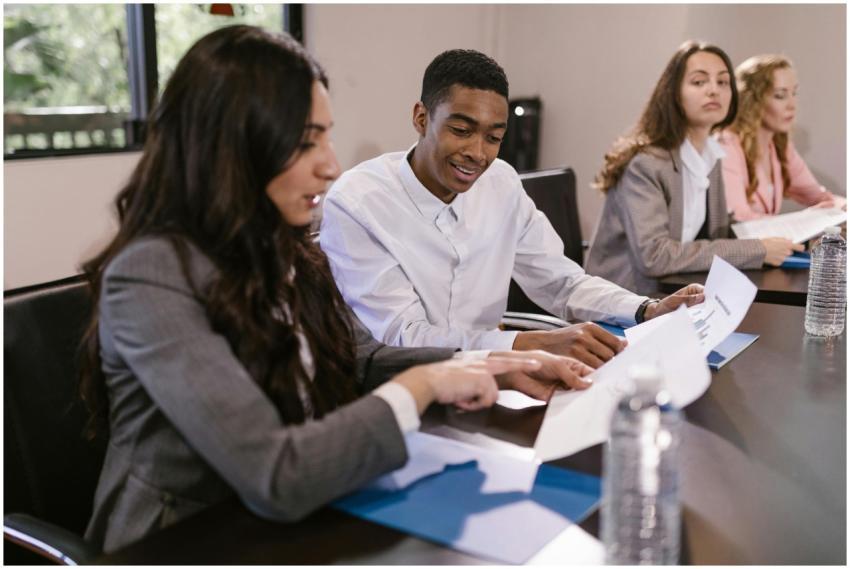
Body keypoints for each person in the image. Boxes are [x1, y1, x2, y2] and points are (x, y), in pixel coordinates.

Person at [78, 27, 593, 553]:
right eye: (306, 142)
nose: (331, 165)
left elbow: (360, 359)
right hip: (186, 540)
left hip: (297, 515)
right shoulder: (151, 275)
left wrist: (485, 365)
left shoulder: (284, 248)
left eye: (326, 137)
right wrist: (422, 386)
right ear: (230, 147)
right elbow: (275, 472)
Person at [319, 48, 704, 369]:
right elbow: (404, 338)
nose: (477, 153)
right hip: (405, 386)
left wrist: (646, 309)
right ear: (422, 118)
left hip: (497, 374)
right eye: (461, 131)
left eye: (494, 137)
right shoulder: (358, 203)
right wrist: (529, 344)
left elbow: (561, 282)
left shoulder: (501, 182)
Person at [585, 41, 802, 295]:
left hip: (677, 294)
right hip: (626, 299)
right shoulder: (646, 164)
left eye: (723, 82)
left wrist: (787, 238)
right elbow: (654, 256)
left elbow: (719, 232)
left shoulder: (710, 155)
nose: (714, 90)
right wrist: (757, 249)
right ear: (674, 93)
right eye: (699, 82)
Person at [719, 54, 846, 221]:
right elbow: (740, 218)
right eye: (780, 95)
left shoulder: (780, 147)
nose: (792, 105)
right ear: (751, 100)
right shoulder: (725, 146)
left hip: (771, 239)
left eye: (794, 93)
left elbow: (821, 197)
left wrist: (843, 206)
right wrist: (803, 221)